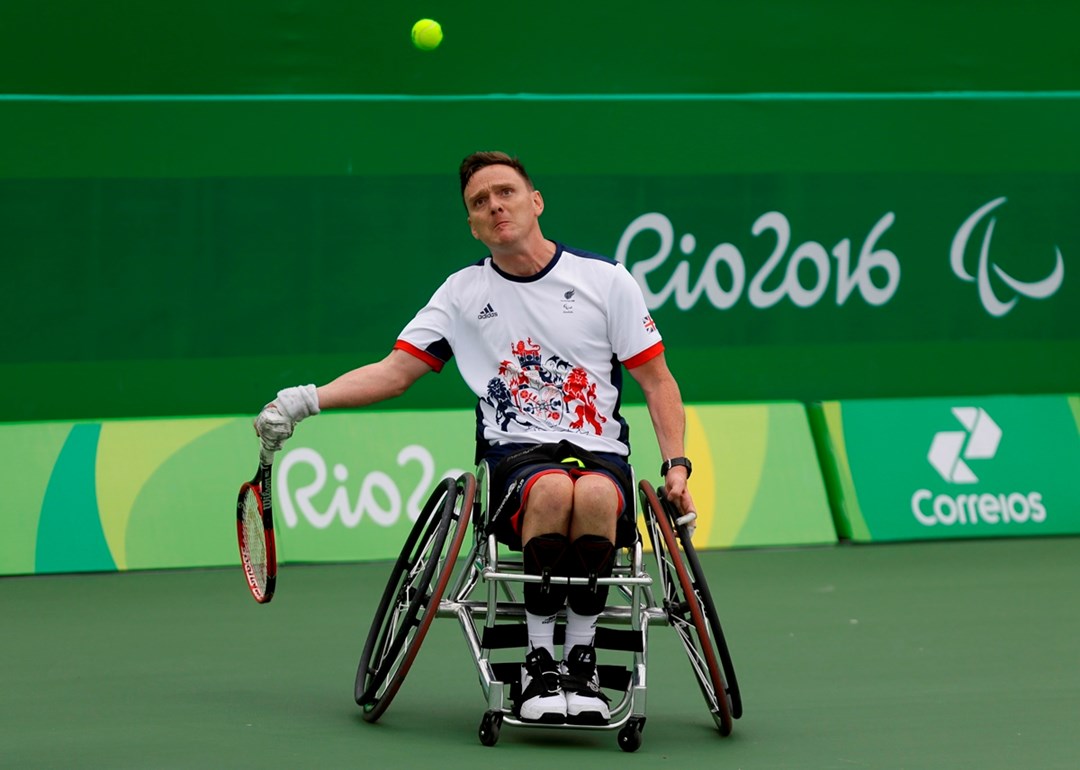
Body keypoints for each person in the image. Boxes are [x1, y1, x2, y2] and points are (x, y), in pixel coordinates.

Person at [255, 151, 697, 726]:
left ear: (535, 202)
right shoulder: (462, 294)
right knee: (551, 493)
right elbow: (395, 373)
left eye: (505, 193)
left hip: (600, 454)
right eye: (479, 203)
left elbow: (657, 380)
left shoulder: (605, 281)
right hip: (517, 457)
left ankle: (582, 662)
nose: (495, 206)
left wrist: (677, 467)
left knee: (590, 495)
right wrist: (303, 400)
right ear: (472, 224)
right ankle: (540, 664)